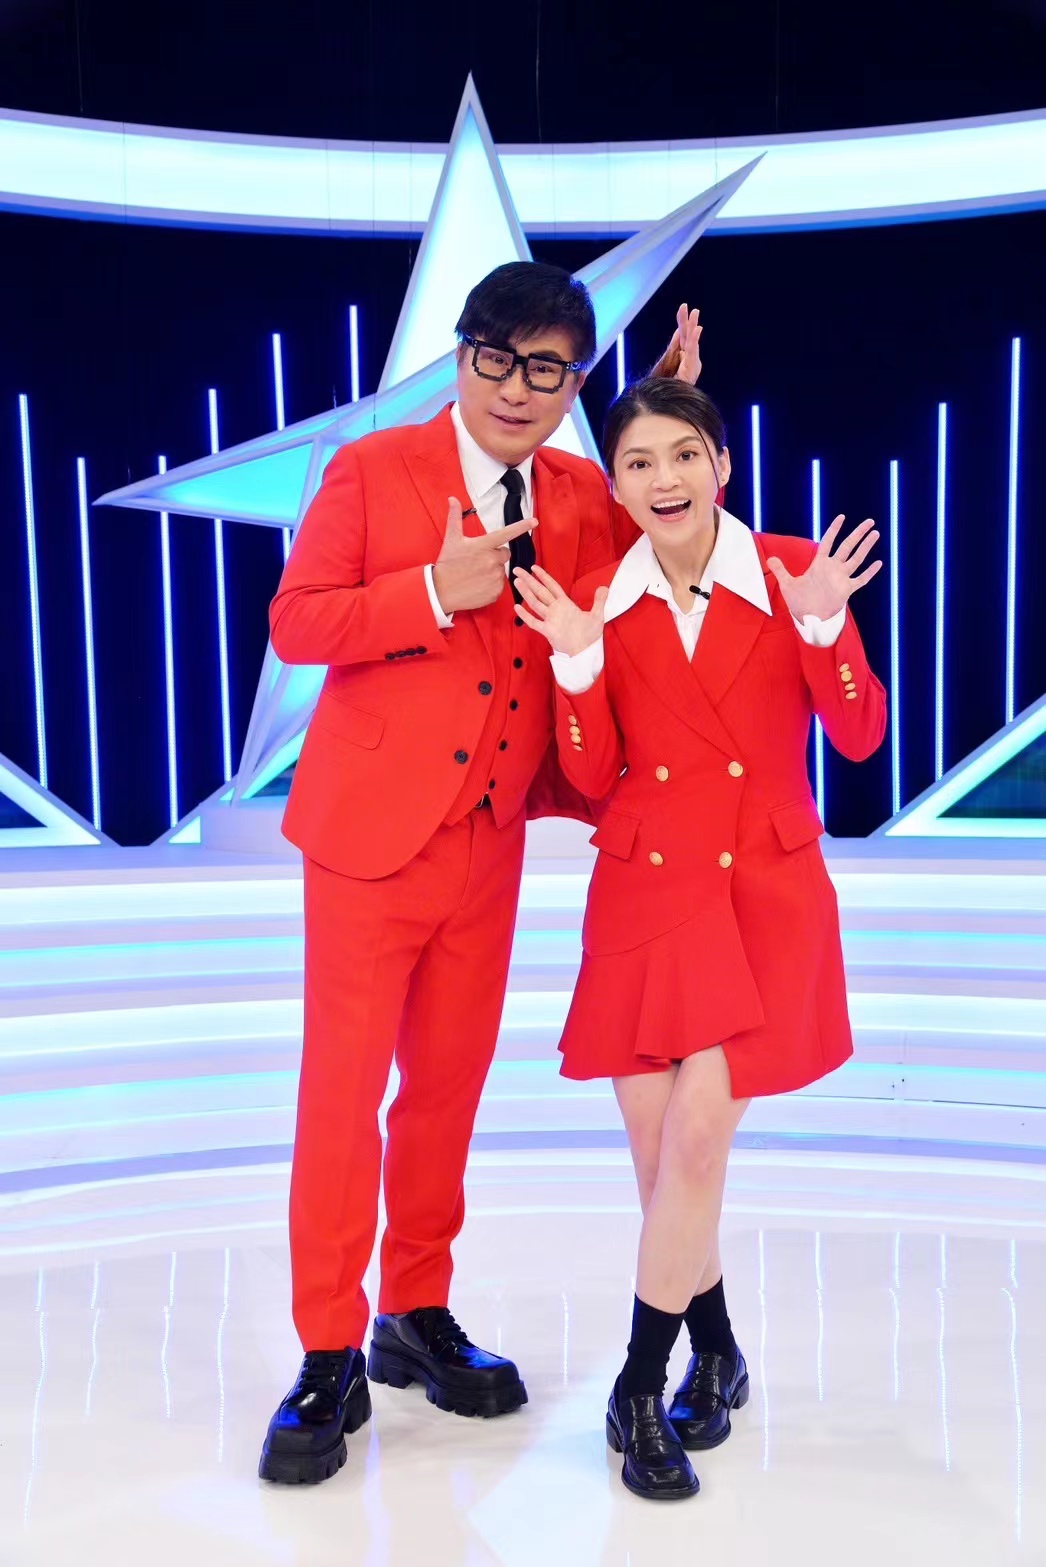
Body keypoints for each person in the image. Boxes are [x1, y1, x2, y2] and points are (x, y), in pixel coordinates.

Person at [258, 263, 702, 1485]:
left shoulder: (576, 490)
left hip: (489, 838)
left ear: (571, 381)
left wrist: (659, 415)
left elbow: (661, 548)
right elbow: (298, 621)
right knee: (342, 1099)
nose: (516, 388)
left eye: (547, 367)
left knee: (445, 1092)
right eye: (496, 359)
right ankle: (326, 1349)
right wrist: (426, 593)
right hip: (366, 841)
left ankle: (413, 1308)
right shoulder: (371, 469)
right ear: (462, 358)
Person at [513, 377, 886, 1501]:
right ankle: (715, 1349)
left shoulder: (788, 570)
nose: (663, 478)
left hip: (761, 892)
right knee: (661, 1157)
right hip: (645, 892)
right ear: (619, 484)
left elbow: (859, 735)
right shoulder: (595, 597)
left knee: (692, 1145)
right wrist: (576, 665)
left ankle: (637, 1388)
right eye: (637, 462)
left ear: (721, 464)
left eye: (684, 454)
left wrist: (822, 626)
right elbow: (589, 775)